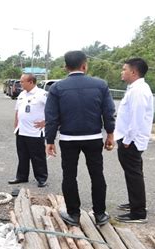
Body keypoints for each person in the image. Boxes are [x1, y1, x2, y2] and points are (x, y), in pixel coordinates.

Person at [45, 50, 116, 226]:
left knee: (69, 176)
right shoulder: (100, 85)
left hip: (68, 139)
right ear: (85, 65)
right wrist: (110, 134)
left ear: (65, 67)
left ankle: (74, 215)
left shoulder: (57, 88)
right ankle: (100, 214)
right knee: (97, 174)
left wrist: (49, 141)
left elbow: (52, 117)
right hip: (93, 138)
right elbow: (108, 112)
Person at [114, 58, 154, 223]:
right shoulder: (135, 88)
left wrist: (127, 139)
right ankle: (135, 203)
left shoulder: (138, 90)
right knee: (134, 173)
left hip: (131, 140)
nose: (122, 72)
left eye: (124, 69)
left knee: (133, 174)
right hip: (129, 138)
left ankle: (138, 213)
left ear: (134, 72)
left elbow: (136, 118)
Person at [8, 73, 49, 187]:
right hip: (21, 131)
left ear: (30, 82)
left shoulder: (42, 94)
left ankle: (41, 178)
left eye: (22, 81)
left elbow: (54, 110)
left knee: (38, 157)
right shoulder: (22, 94)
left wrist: (46, 122)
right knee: (22, 155)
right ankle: (21, 176)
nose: (20, 84)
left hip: (35, 132)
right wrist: (16, 125)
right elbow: (18, 111)